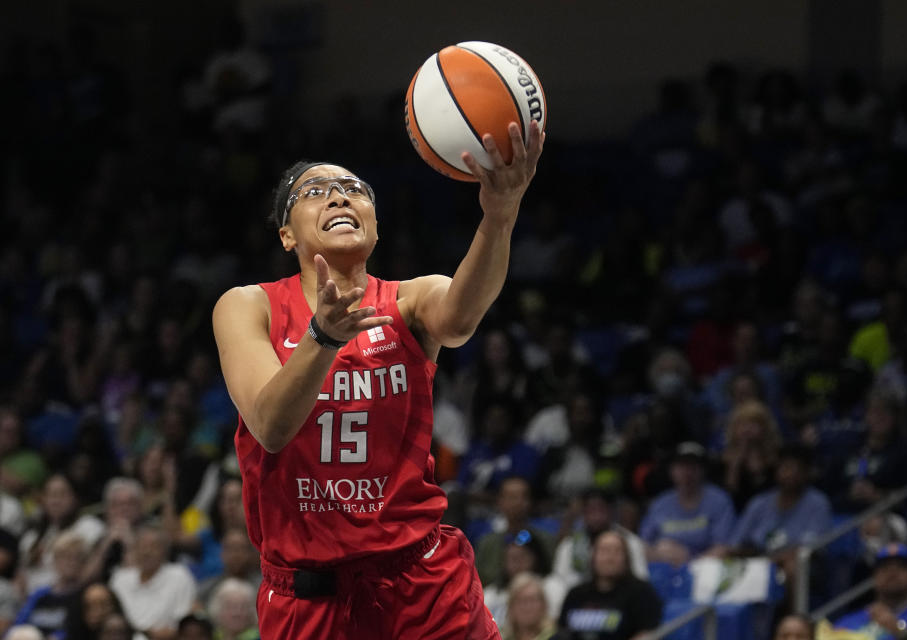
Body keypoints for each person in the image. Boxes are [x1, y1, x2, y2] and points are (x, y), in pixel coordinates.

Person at [212, 118, 544, 639]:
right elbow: (271, 426)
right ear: (286, 234)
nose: (340, 198)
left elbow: (459, 320)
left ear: (374, 224)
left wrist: (500, 215)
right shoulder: (247, 306)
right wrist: (322, 337)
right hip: (309, 595)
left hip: (422, 581)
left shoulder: (408, 299)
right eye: (316, 192)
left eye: (354, 190)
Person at [639, 442, 736, 566]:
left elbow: (724, 548)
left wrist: (690, 561)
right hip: (663, 571)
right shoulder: (660, 504)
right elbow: (643, 545)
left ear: (703, 470)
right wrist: (658, 554)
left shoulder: (719, 501)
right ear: (671, 470)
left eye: (693, 466)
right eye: (681, 466)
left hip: (706, 572)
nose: (687, 472)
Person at [554, 530, 662, 640]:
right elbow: (562, 632)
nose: (609, 558)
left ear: (626, 559)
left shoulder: (642, 593)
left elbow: (648, 634)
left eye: (616, 552)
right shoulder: (576, 594)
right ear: (593, 557)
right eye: (604, 551)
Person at [832, 543, 907, 639]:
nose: (892, 572)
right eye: (885, 567)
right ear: (874, 577)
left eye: (901, 566)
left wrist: (897, 628)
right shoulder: (849, 622)